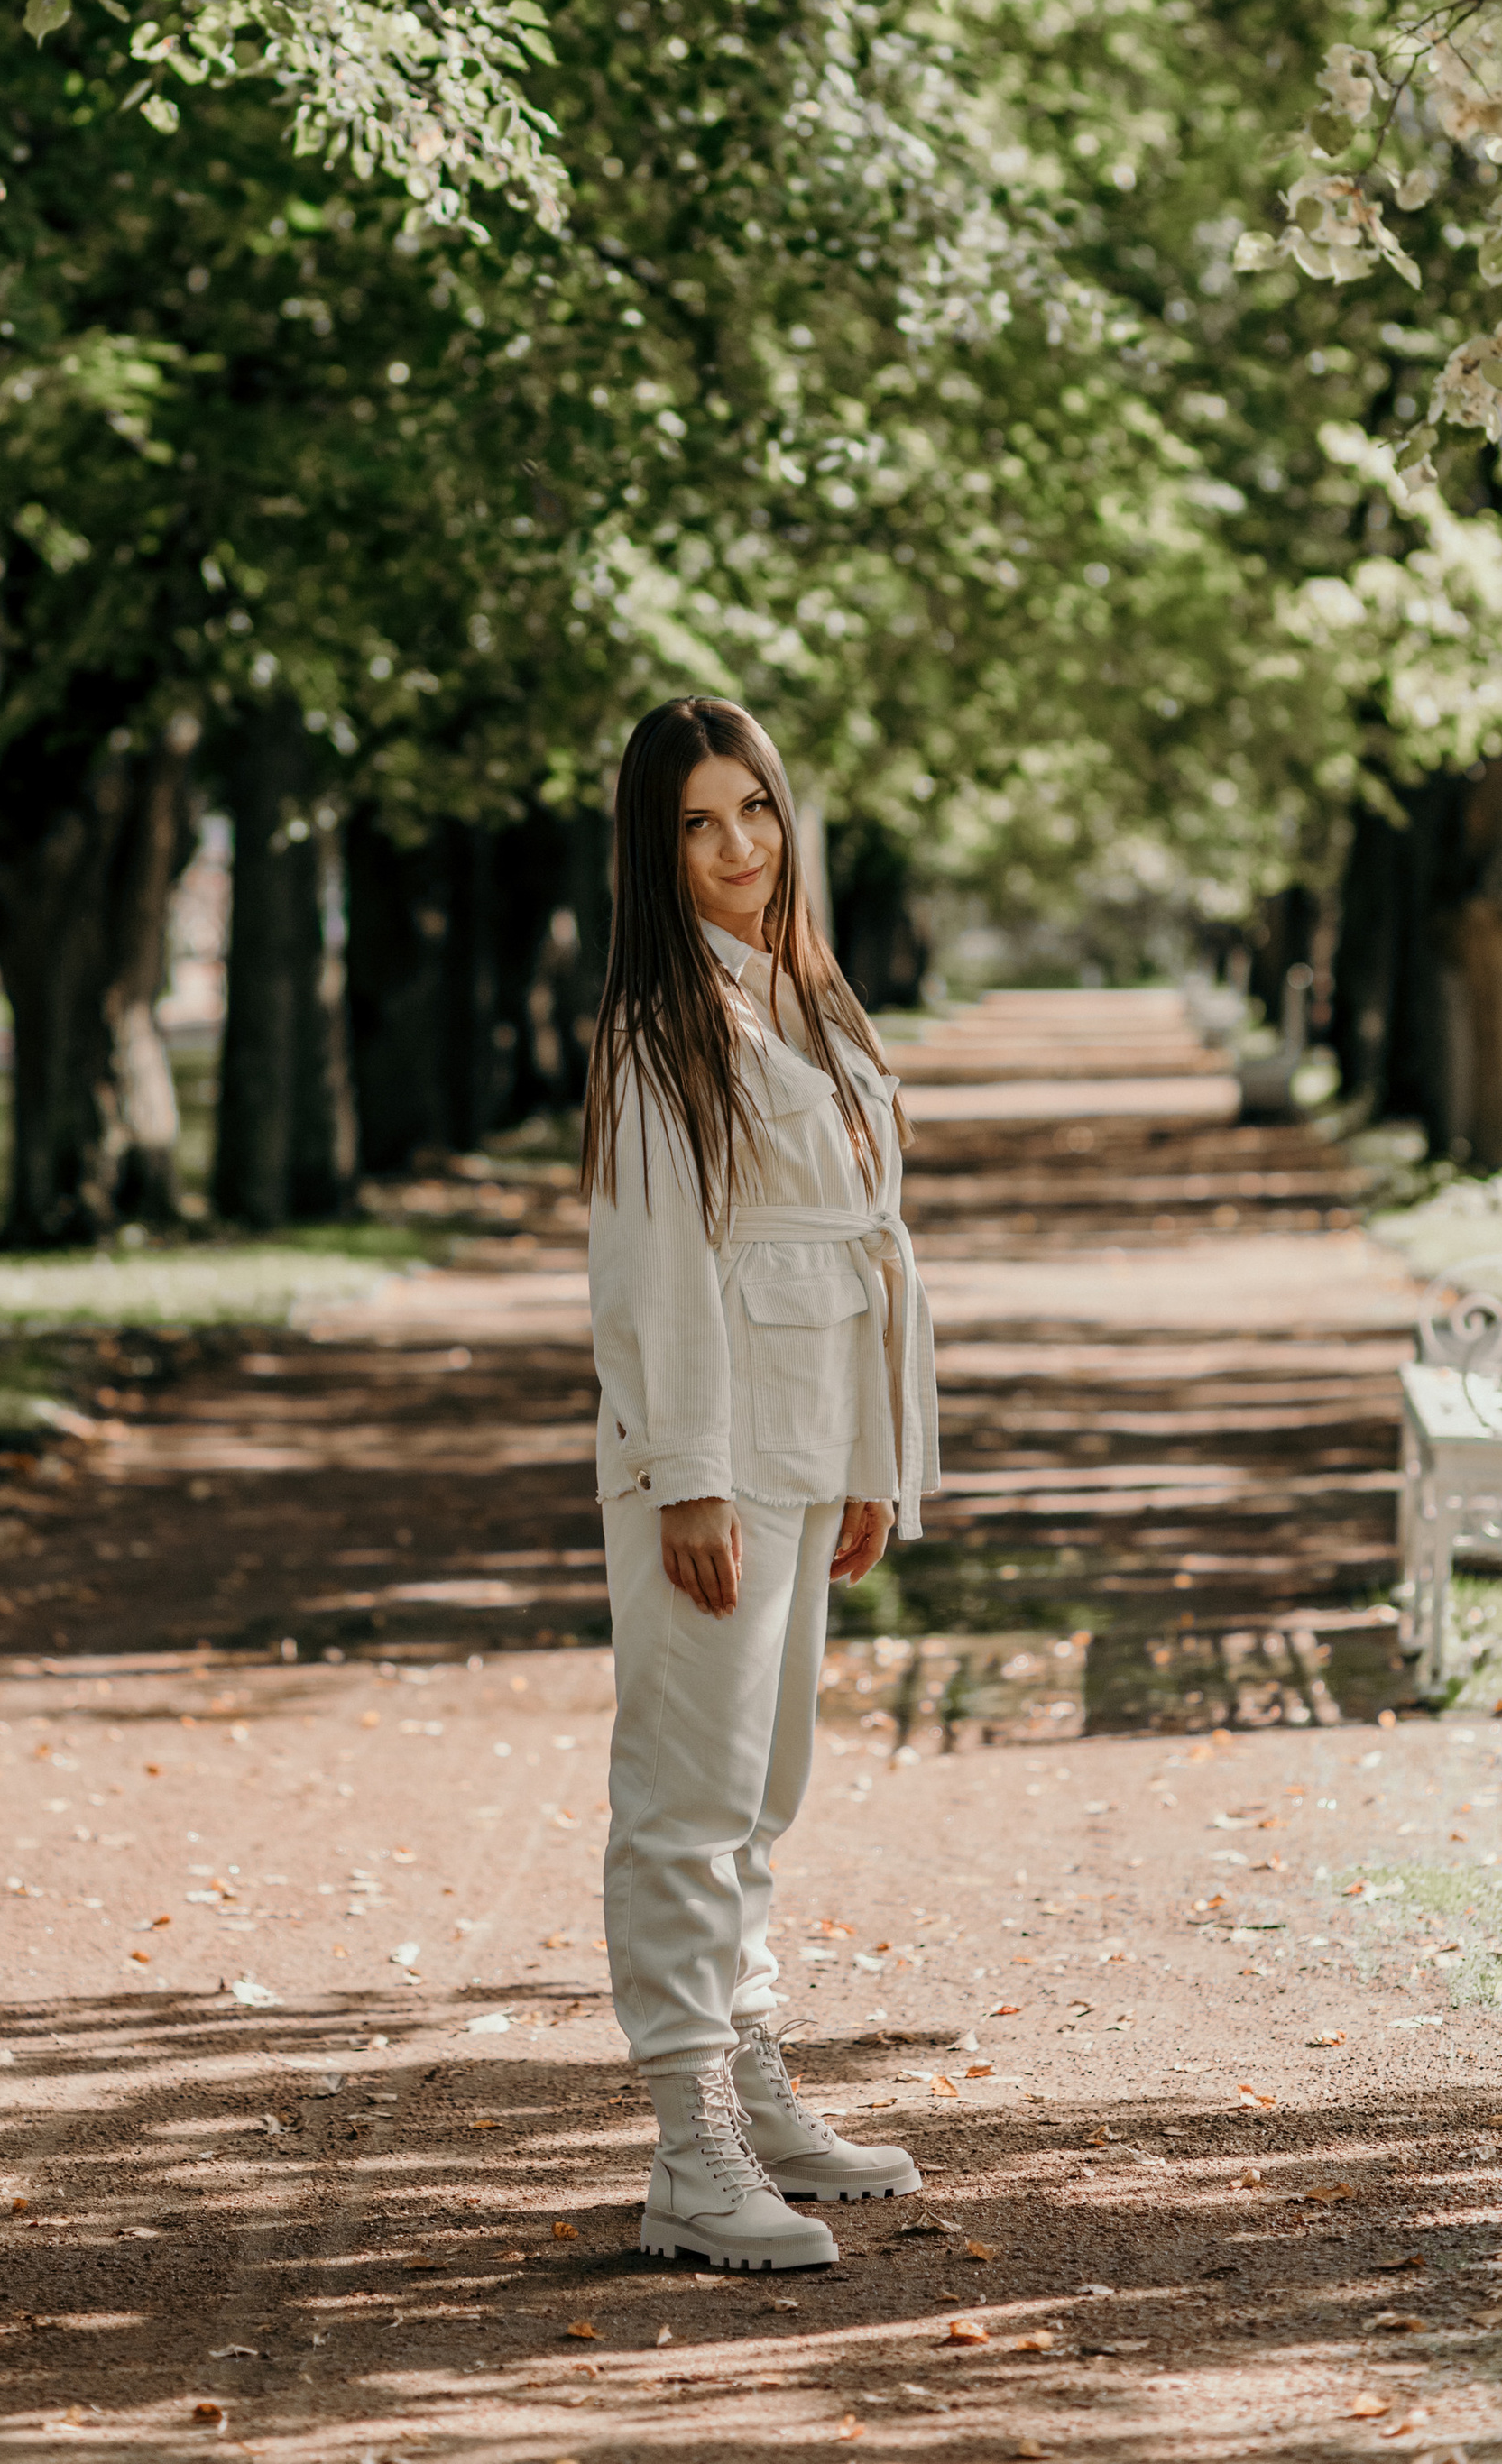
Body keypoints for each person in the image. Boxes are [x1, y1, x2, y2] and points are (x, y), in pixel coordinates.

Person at [581, 694, 939, 2272]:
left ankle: (758, 2077)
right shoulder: (664, 1028)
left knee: (768, 1786)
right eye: (697, 825)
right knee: (689, 1796)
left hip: (812, 1431)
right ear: (655, 856)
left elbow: (852, 1254)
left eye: (755, 811)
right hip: (717, 1446)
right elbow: (662, 1273)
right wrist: (687, 1478)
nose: (737, 848)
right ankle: (688, 2146)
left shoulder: (808, 1000)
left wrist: (874, 1453)